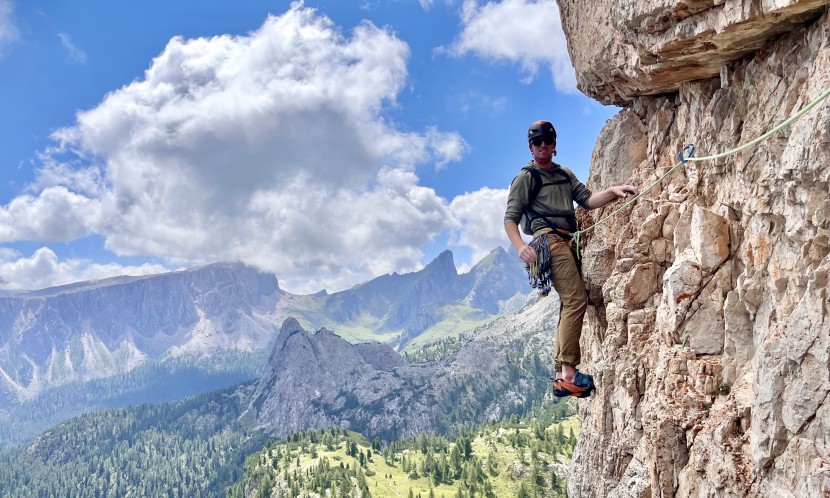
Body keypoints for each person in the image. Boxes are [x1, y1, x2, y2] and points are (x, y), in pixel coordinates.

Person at [504, 120, 639, 398]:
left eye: (548, 141)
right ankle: (568, 374)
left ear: (554, 146)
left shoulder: (564, 174)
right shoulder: (525, 178)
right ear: (531, 147)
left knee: (569, 302)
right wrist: (519, 246)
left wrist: (613, 192)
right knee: (576, 299)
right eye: (538, 142)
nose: (543, 146)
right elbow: (510, 219)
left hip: (567, 242)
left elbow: (587, 200)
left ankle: (559, 375)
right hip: (550, 242)